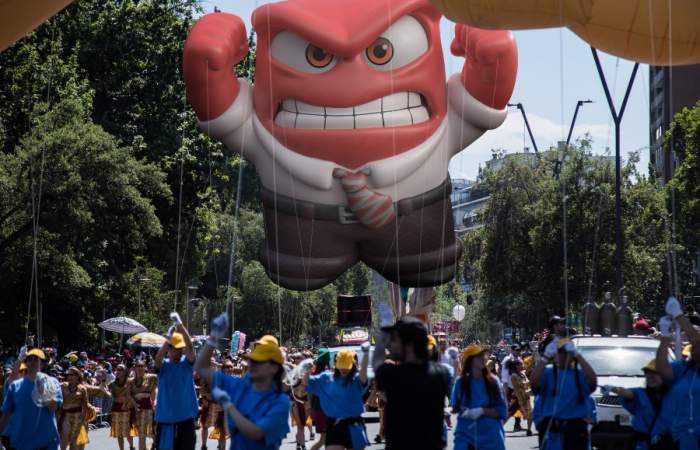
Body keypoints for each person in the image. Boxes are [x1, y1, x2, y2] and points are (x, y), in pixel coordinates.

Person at [195, 316, 291, 450]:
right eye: (253, 359)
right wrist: (213, 336)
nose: (252, 364)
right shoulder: (242, 385)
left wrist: (230, 407)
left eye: (259, 361)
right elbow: (201, 368)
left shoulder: (280, 402)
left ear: (274, 368)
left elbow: (255, 433)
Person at [373, 316, 451, 450]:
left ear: (408, 345)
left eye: (394, 340)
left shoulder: (392, 375)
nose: (390, 345)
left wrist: (381, 339)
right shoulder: (441, 374)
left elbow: (376, 364)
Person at [531, 337, 597, 450]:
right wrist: (545, 356)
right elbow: (534, 383)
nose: (563, 356)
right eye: (560, 352)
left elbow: (593, 382)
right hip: (553, 428)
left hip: (575, 428)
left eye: (567, 353)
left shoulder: (579, 374)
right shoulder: (548, 372)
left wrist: (577, 355)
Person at [655, 296, 700, 449]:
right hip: (682, 437)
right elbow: (662, 369)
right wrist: (665, 337)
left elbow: (698, 341)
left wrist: (678, 315)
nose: (695, 350)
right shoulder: (684, 369)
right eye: (693, 348)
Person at [305, 346, 370, 450]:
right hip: (334, 425)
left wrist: (366, 354)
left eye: (346, 366)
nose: (343, 369)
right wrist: (306, 370)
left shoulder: (356, 380)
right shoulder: (325, 378)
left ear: (353, 364)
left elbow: (363, 375)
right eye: (341, 365)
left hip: (353, 425)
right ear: (335, 364)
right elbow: (307, 382)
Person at [0, 348, 63, 450]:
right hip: (22, 444)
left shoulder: (53, 382)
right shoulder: (15, 386)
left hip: (47, 444)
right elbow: (6, 415)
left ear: (42, 364)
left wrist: (42, 390)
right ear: (26, 362)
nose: (33, 362)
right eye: (30, 359)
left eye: (36, 359)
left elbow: (53, 407)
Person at [604, 360, 673, 450]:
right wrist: (613, 388)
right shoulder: (641, 393)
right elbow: (627, 393)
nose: (650, 377)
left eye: (655, 373)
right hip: (643, 444)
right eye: (647, 373)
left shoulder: (674, 395)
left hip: (667, 443)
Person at [450, 344, 507, 450]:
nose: (483, 358)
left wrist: (482, 411)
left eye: (483, 355)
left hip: (490, 440)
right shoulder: (460, 383)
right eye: (478, 356)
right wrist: (446, 411)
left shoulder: (493, 382)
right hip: (465, 439)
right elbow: (455, 408)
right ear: (469, 361)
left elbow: (502, 411)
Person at [154, 318, 198, 450]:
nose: (177, 351)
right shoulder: (163, 366)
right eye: (174, 348)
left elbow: (190, 348)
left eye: (180, 348)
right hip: (165, 420)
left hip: (186, 420)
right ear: (169, 348)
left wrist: (181, 326)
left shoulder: (186, 364)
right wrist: (168, 338)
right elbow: (157, 359)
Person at [58, 366, 110, 450]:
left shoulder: (83, 388)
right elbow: (52, 387)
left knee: (76, 444)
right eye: (68, 375)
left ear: (77, 376)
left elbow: (87, 403)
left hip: (78, 418)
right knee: (63, 443)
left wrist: (103, 381)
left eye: (71, 375)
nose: (69, 376)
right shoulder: (63, 386)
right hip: (66, 418)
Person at [130, 359, 157, 450]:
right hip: (136, 409)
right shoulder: (130, 381)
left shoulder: (151, 377)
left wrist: (147, 395)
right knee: (142, 434)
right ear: (134, 368)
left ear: (145, 367)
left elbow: (163, 376)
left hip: (147, 408)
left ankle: (155, 443)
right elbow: (128, 395)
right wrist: (135, 400)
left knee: (145, 434)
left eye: (142, 366)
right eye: (138, 366)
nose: (140, 368)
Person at [109, 364, 136, 450]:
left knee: (127, 431)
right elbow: (106, 392)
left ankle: (131, 447)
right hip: (116, 408)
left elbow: (134, 393)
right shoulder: (112, 383)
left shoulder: (130, 382)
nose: (118, 371)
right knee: (119, 433)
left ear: (125, 372)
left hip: (127, 408)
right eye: (117, 369)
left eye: (121, 369)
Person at [308, 348, 330, 450]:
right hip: (328, 409)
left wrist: (310, 408)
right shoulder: (331, 373)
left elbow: (310, 394)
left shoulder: (313, 374)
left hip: (318, 409)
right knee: (325, 439)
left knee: (325, 439)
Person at [507, 359, 533, 436]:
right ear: (516, 366)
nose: (522, 365)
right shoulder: (513, 376)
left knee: (530, 414)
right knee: (508, 414)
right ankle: (498, 429)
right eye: (521, 364)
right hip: (517, 398)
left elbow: (527, 384)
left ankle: (529, 430)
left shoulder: (523, 374)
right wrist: (530, 381)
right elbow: (521, 385)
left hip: (525, 397)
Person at [500, 344, 522, 432]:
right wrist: (505, 388)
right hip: (510, 387)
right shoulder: (507, 360)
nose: (518, 351)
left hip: (518, 387)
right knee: (510, 408)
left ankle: (517, 423)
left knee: (519, 405)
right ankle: (500, 424)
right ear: (511, 350)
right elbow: (504, 375)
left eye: (519, 350)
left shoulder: (519, 359)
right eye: (516, 350)